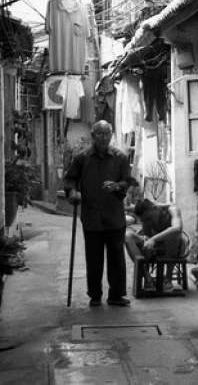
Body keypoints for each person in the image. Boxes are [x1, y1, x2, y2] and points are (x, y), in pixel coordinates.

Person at [64, 120, 132, 307]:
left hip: (114, 215)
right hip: (92, 216)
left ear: (111, 135)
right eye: (100, 134)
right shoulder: (82, 158)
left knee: (116, 257)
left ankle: (116, 295)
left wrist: (117, 186)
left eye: (107, 134)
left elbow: (127, 181)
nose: (103, 137)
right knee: (93, 258)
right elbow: (70, 179)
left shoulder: (120, 158)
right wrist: (72, 192)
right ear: (93, 136)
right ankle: (95, 295)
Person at [125, 198, 183, 291]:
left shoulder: (172, 209)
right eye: (144, 220)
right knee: (128, 236)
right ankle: (148, 279)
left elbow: (177, 228)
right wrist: (145, 238)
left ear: (154, 208)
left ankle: (168, 280)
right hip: (154, 246)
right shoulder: (147, 218)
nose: (148, 221)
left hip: (173, 247)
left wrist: (153, 239)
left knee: (173, 234)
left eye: (148, 218)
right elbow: (147, 236)